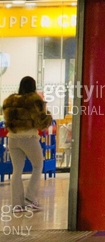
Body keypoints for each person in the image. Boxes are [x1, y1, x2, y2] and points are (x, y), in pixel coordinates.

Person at [2, 76, 53, 213]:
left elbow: (7, 119)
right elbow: (42, 122)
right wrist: (46, 110)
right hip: (29, 137)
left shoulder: (11, 100)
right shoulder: (34, 101)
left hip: (12, 138)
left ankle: (17, 205)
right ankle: (30, 199)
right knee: (38, 165)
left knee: (16, 170)